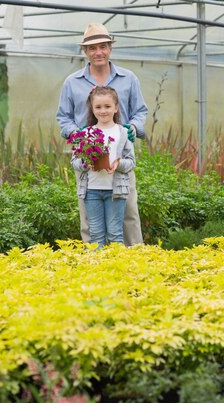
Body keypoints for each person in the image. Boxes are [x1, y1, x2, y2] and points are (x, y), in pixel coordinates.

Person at [57, 22, 148, 246]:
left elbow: (140, 111)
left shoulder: (128, 79)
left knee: (128, 213)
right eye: (92, 48)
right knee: (89, 216)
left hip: (120, 158)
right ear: (85, 52)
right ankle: (95, 265)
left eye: (103, 46)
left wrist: (133, 128)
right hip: (88, 159)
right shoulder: (72, 82)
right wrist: (78, 136)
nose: (98, 52)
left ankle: (135, 262)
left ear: (110, 48)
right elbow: (63, 118)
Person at [71, 86, 135, 248]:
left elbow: (131, 162)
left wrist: (118, 164)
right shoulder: (85, 133)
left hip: (115, 191)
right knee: (96, 235)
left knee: (115, 233)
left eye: (107, 106)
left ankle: (116, 269)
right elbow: (75, 162)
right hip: (91, 191)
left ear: (116, 108)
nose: (103, 111)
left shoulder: (122, 133)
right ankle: (98, 271)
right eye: (98, 107)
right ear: (92, 109)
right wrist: (86, 163)